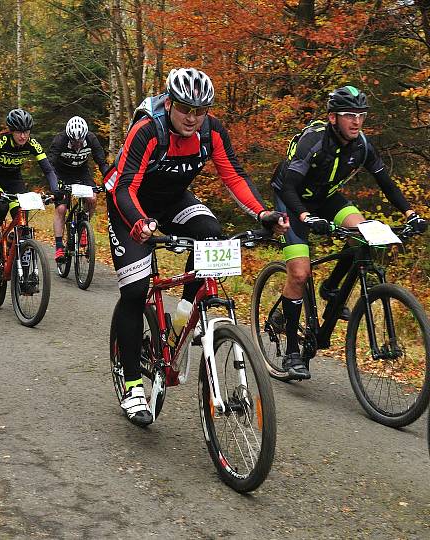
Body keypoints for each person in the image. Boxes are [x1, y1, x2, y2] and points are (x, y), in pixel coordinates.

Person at [105, 67, 288, 426]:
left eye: (200, 110)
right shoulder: (149, 130)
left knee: (210, 230)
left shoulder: (211, 130)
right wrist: (141, 223)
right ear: (170, 103)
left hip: (173, 199)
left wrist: (263, 212)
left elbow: (233, 174)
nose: (192, 117)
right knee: (135, 290)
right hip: (130, 203)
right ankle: (131, 385)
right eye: (185, 108)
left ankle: (183, 315)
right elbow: (124, 186)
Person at [270, 85, 427, 380]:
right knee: (300, 273)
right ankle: (292, 352)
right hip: (291, 200)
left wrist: (411, 214)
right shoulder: (313, 142)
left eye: (361, 116)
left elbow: (386, 183)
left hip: (326, 197)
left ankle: (330, 288)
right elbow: (289, 186)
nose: (356, 122)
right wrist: (305, 216)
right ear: (333, 118)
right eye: (349, 115)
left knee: (365, 231)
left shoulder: (362, 145)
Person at [0, 108, 59, 264]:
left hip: (14, 180)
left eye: (26, 132)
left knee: (21, 215)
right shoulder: (1, 142)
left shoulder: (32, 144)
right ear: (11, 131)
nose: (23, 136)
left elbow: (48, 169)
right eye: (19, 132)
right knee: (1, 208)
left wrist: (55, 190)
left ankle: (14, 242)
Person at [48, 116, 110, 262]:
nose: (77, 145)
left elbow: (102, 163)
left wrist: (109, 181)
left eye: (80, 141)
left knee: (93, 198)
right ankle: (58, 246)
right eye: (74, 142)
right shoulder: (60, 140)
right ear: (68, 137)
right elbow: (49, 165)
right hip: (61, 173)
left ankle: (83, 226)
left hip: (81, 172)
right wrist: (55, 186)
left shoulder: (92, 139)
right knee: (62, 208)